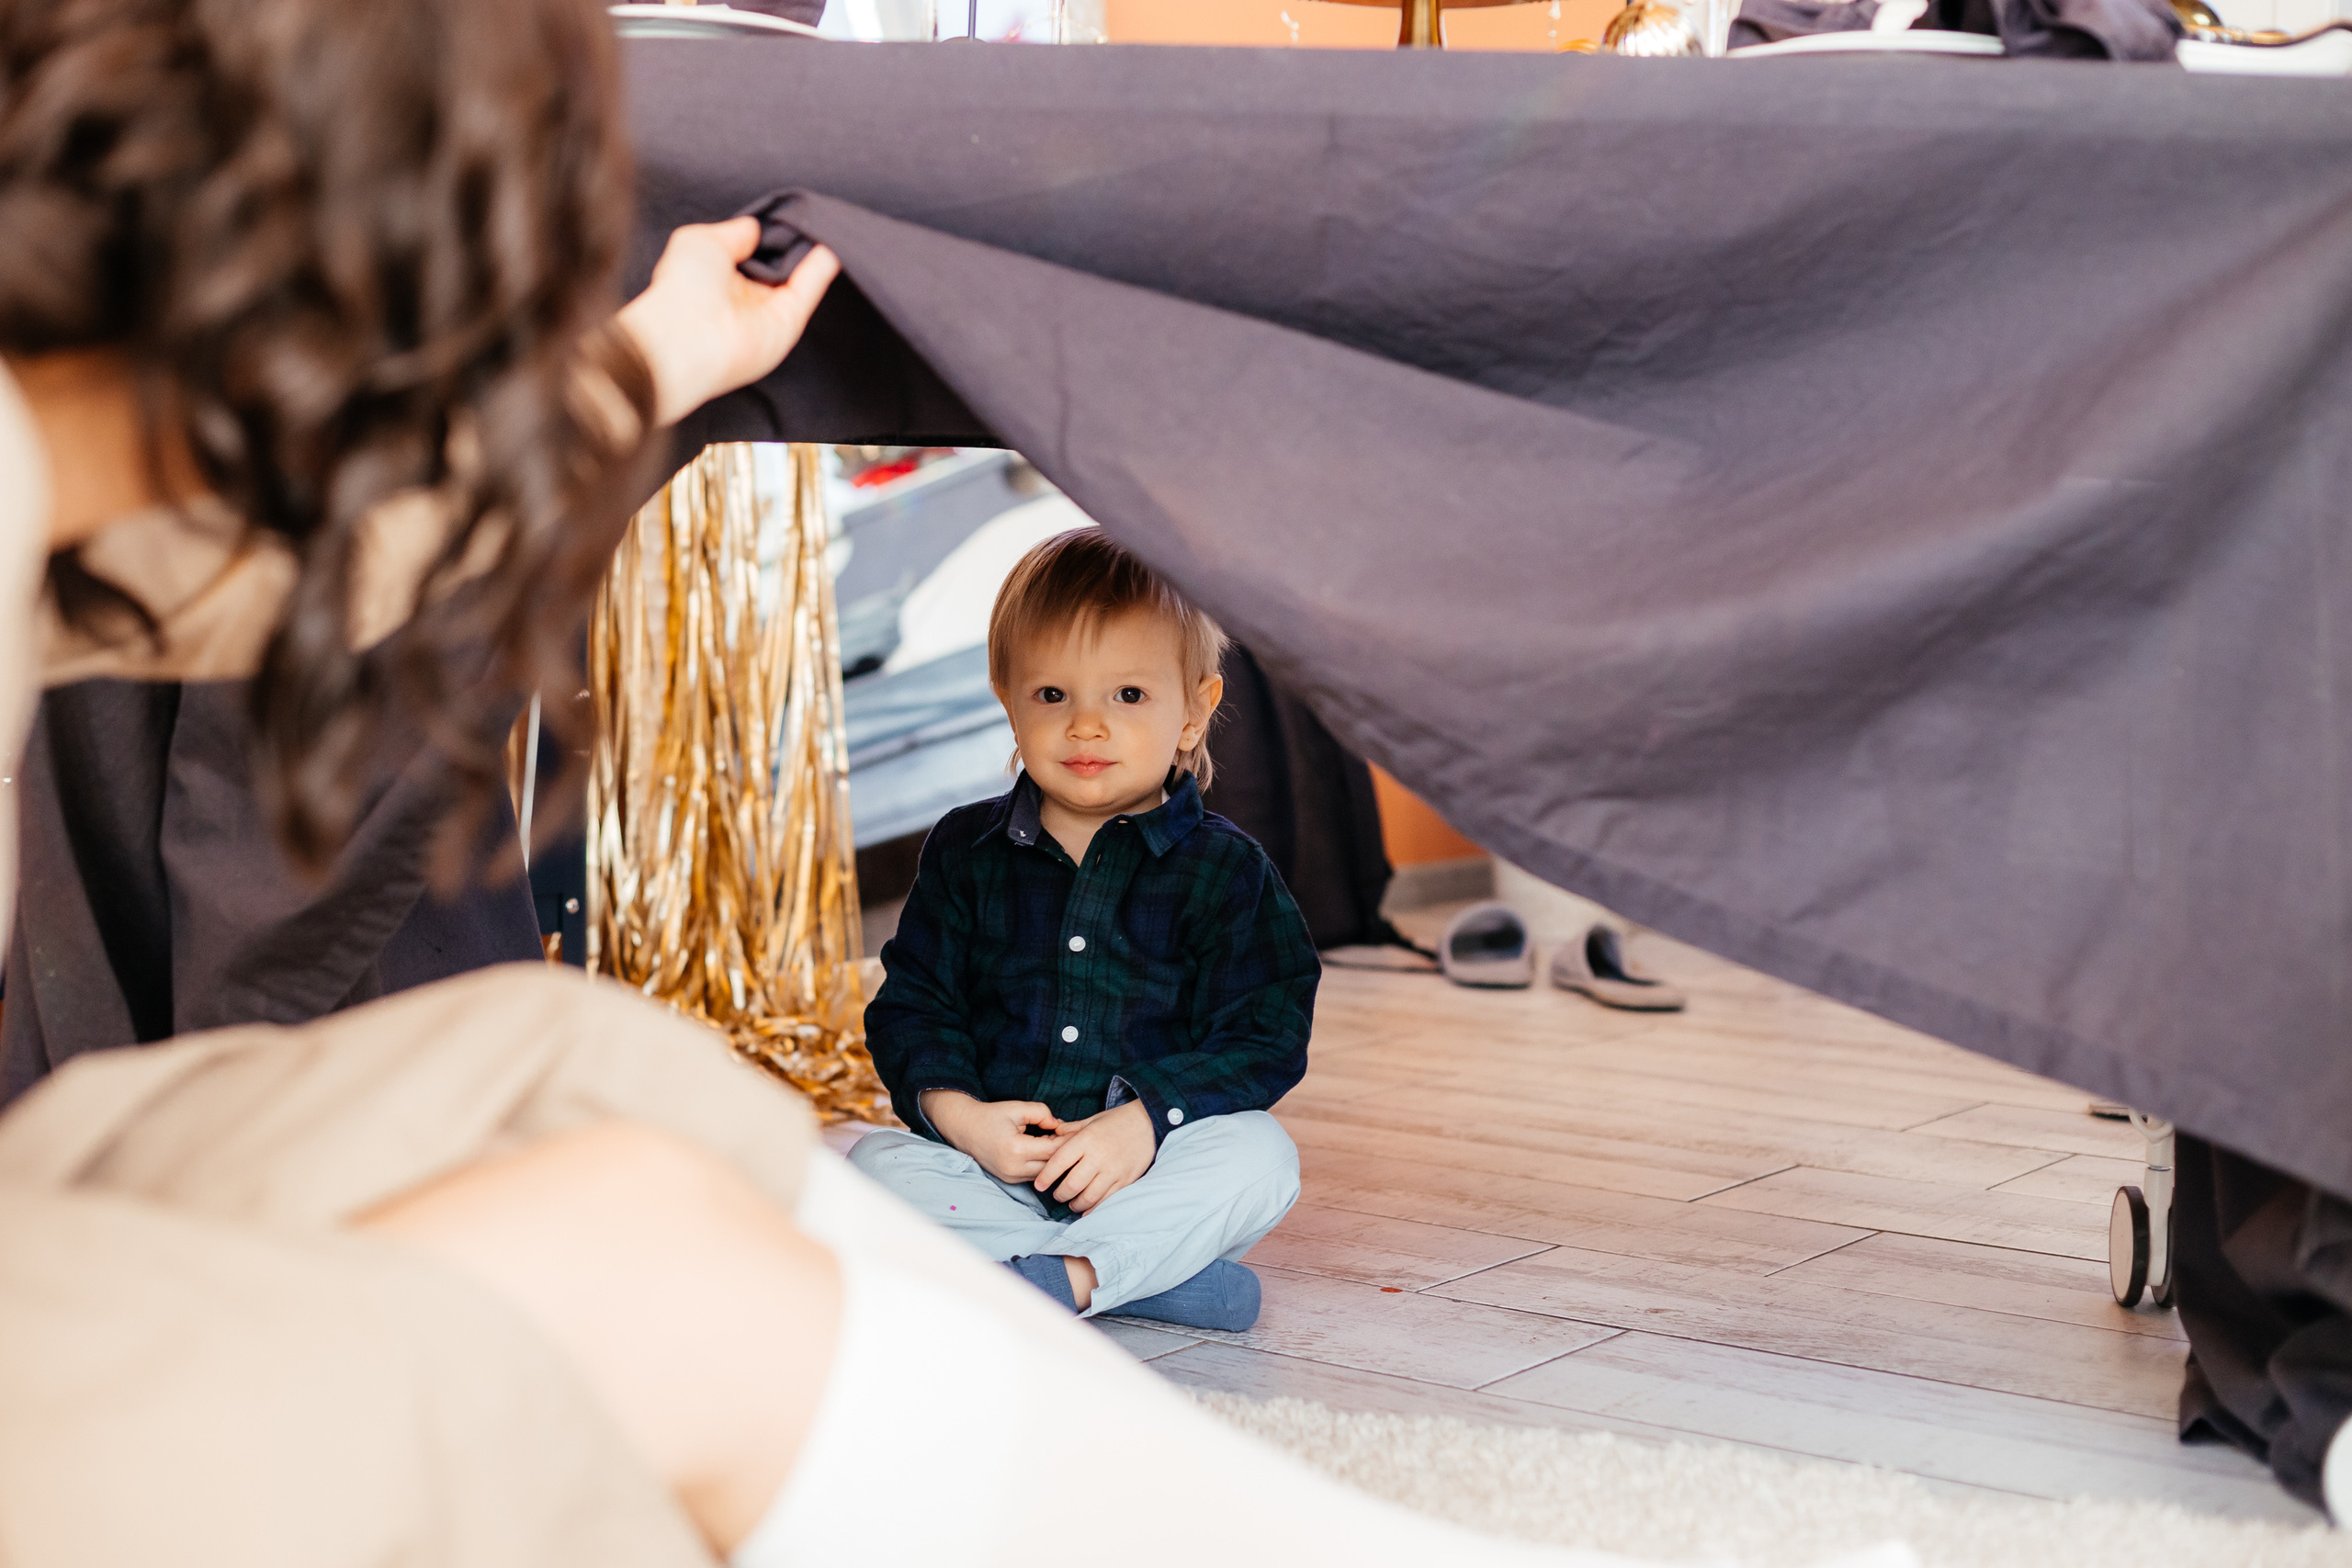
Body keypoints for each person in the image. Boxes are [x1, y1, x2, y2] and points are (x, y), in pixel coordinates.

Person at [0, 0, 1917, 1563]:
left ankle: (1087, 1419)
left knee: (590, 1071)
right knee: (625, 1260)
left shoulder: (79, 472)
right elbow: (906, 1015)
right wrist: (956, 1114)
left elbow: (297, 562)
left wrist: (647, 361)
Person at [854, 529, 1316, 1329]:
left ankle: (1056, 1273)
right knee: (869, 1166)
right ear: (1007, 698)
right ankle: (1136, 1280)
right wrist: (966, 1120)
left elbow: (1266, 1034)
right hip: (994, 1174)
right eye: (1052, 695)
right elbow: (914, 1007)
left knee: (1262, 1157)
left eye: (1128, 695)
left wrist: (1146, 1120)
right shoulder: (964, 851)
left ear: (1194, 712)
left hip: (1149, 1172)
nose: (1087, 726)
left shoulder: (1226, 870)